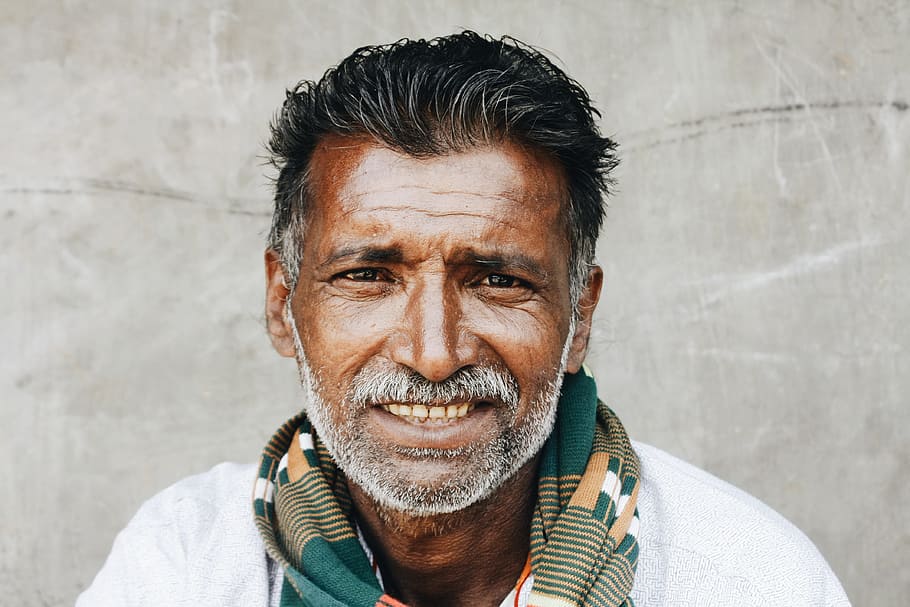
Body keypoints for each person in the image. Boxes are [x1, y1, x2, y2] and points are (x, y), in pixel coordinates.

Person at [78, 31, 851, 607]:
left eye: (498, 279)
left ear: (579, 315)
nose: (435, 352)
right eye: (368, 276)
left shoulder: (751, 580)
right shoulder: (181, 566)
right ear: (284, 304)